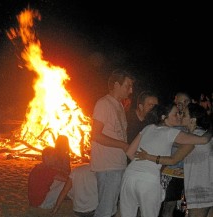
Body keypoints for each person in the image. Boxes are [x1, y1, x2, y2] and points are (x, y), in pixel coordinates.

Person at [120, 103, 211, 217]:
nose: (179, 116)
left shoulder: (148, 127)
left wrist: (143, 165)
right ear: (164, 117)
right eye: (175, 114)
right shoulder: (172, 132)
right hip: (148, 180)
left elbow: (129, 152)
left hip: (129, 176)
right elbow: (203, 140)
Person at [90, 68, 134, 217]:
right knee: (105, 210)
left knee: (111, 209)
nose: (131, 90)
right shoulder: (104, 104)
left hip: (117, 164)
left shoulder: (119, 106)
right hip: (107, 165)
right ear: (116, 84)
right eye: (128, 86)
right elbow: (96, 135)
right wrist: (123, 146)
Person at [159, 92, 191, 217]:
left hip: (183, 174)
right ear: (175, 102)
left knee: (175, 208)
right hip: (168, 172)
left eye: (186, 102)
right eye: (180, 103)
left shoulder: (189, 122)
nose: (182, 106)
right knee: (164, 206)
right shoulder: (171, 122)